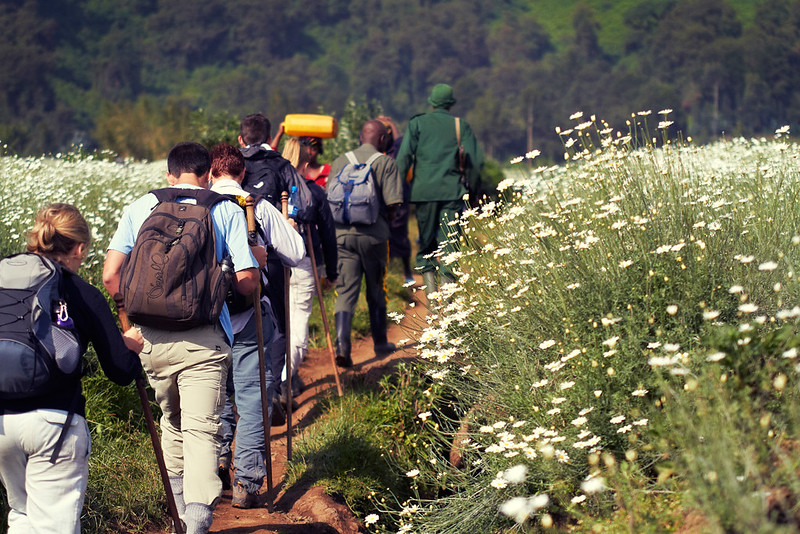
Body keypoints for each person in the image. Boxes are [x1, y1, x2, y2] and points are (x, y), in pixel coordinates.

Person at [103, 142, 260, 534]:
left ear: (169, 174)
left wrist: (131, 322)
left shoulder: (142, 207)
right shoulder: (224, 209)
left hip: (151, 340)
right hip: (203, 339)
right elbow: (244, 281)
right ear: (208, 174)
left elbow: (110, 276)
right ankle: (196, 523)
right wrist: (255, 272)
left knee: (171, 421)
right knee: (201, 428)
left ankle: (177, 515)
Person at [0, 203, 143, 533]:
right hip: (54, 425)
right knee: (54, 526)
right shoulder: (80, 292)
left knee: (21, 517)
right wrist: (129, 346)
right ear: (79, 247)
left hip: (3, 425)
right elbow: (121, 371)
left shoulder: (5, 277)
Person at [209, 143, 305, 508]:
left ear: (209, 173)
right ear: (242, 173)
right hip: (248, 313)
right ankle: (247, 482)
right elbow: (295, 252)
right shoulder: (256, 206)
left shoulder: (195, 206)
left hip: (206, 318)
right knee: (251, 395)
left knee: (216, 393)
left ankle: (217, 462)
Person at [238, 113, 311, 413]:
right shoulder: (281, 166)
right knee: (278, 324)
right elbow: (304, 204)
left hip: (236, 261)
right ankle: (276, 393)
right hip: (273, 261)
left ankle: (240, 401)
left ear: (241, 139)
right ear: (269, 138)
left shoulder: (233, 166)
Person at [328, 120, 404, 367]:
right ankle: (380, 343)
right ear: (382, 140)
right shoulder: (386, 163)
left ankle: (342, 346)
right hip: (374, 238)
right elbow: (394, 204)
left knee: (346, 291)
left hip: (341, 236)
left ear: (360, 136)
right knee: (375, 288)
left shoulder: (340, 161)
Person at [396, 83, 484, 295]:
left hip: (424, 193)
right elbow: (475, 163)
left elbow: (403, 158)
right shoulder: (460, 126)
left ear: (432, 102)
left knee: (426, 246)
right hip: (452, 193)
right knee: (450, 247)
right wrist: (473, 193)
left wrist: (398, 191)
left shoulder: (417, 124)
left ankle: (434, 308)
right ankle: (451, 310)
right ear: (451, 103)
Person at [281, 137, 338, 397]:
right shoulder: (312, 192)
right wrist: (332, 272)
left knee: (279, 328)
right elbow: (328, 234)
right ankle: (281, 382)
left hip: (272, 266)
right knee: (299, 330)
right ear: (305, 164)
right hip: (303, 264)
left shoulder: (272, 189)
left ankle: (283, 379)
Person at [376, 116, 414, 285]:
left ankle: (407, 272)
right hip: (379, 202)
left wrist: (391, 123)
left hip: (398, 199)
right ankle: (388, 274)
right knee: (382, 238)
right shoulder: (375, 152)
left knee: (400, 236)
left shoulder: (396, 151)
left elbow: (400, 140)